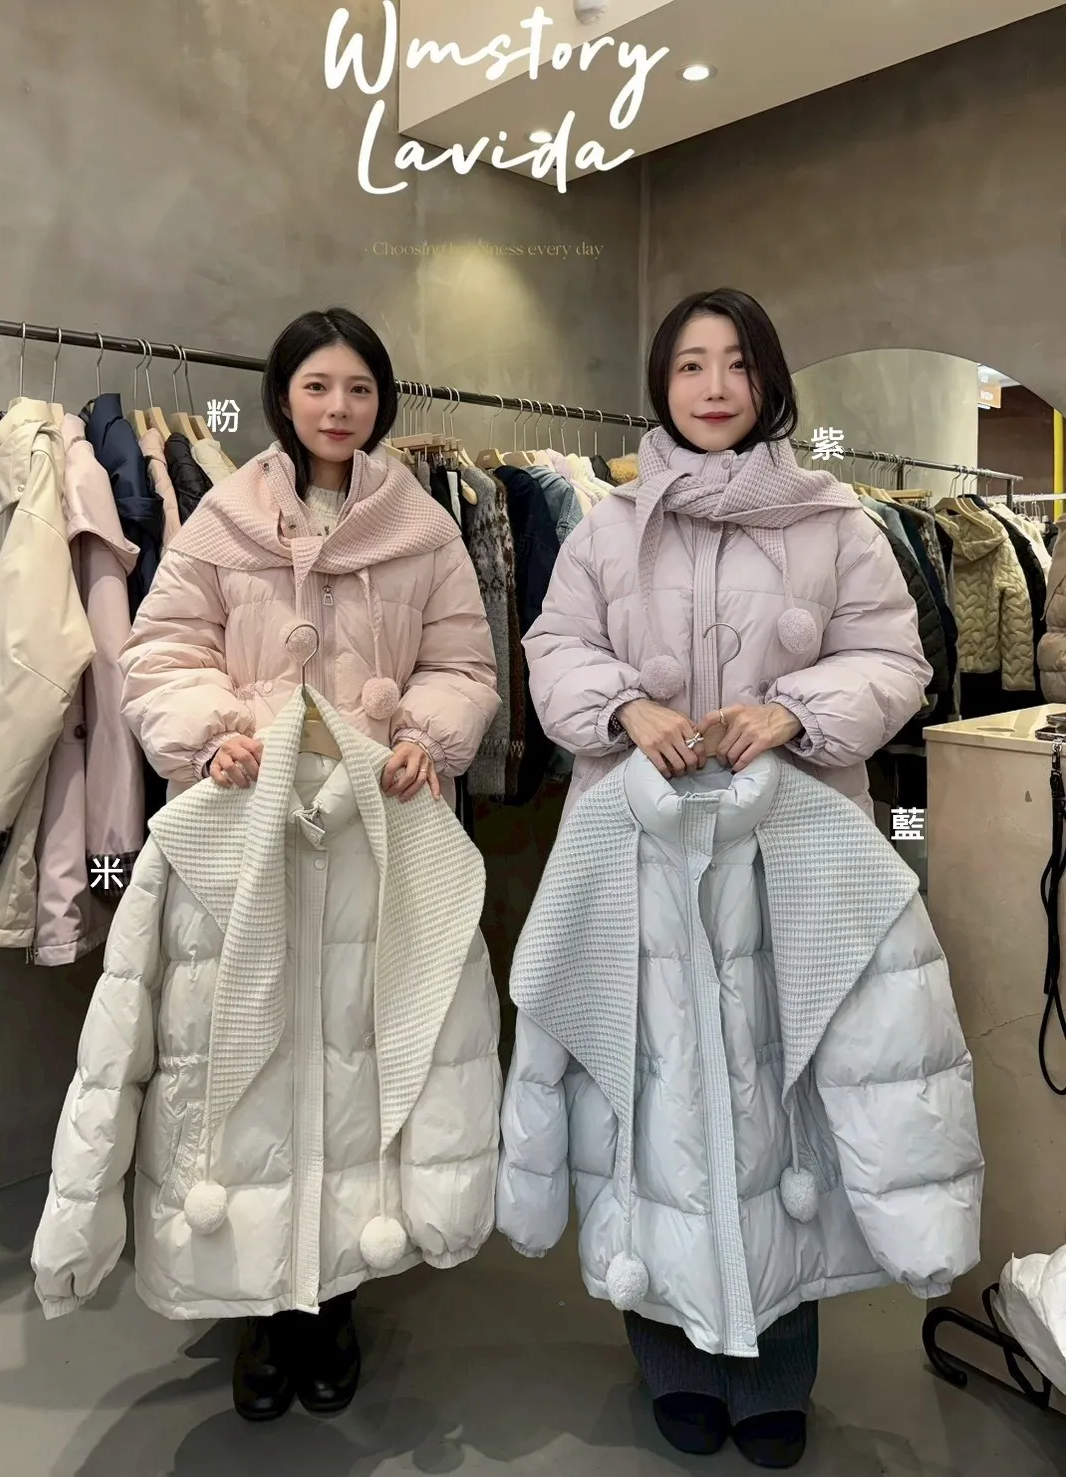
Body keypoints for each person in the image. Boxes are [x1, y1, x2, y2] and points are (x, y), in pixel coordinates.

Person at [520, 289, 934, 1468]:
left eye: (736, 363)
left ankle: (775, 1367)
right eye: (690, 364)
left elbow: (894, 658)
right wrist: (625, 706)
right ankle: (673, 1355)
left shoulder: (835, 520)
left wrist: (791, 710)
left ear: (768, 382)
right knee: (654, 1104)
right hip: (639, 854)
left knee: (779, 1101)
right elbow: (552, 648)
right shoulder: (608, 524)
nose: (712, 386)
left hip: (788, 853)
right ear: (660, 383)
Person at [116, 306, 500, 1420]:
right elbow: (159, 651)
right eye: (319, 386)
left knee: (352, 1061)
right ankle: (258, 1306)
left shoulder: (423, 527)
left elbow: (465, 662)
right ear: (283, 395)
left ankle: (330, 1300)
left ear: (384, 402)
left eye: (360, 389)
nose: (340, 408)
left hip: (374, 831)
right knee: (244, 1059)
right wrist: (214, 732)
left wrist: (425, 734)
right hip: (250, 830)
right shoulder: (221, 519)